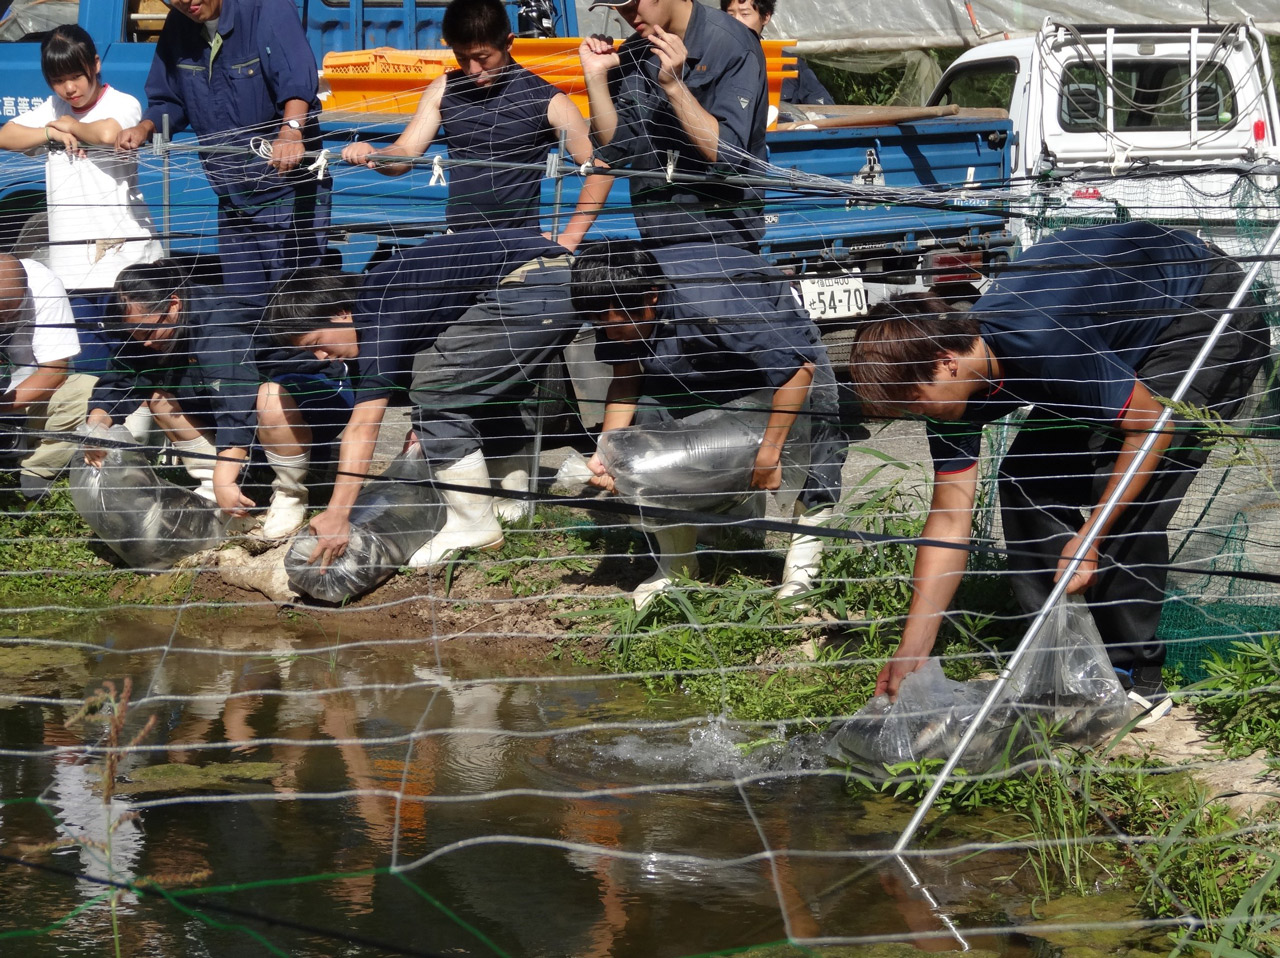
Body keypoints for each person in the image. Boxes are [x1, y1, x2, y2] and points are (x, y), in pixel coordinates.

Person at [847, 221, 1270, 701]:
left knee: (1127, 482)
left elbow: (1153, 427)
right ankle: (1060, 658)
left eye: (915, 399)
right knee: (1025, 479)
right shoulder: (953, 397)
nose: (914, 414)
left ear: (946, 360)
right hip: (1113, 325)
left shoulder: (1042, 340)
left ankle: (1130, 674)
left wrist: (1088, 539)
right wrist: (913, 648)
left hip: (1204, 304)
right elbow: (948, 519)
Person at [261, 228, 579, 570]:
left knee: (436, 390)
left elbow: (365, 425)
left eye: (316, 342)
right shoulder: (387, 299)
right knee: (475, 382)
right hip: (552, 276)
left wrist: (338, 514)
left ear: (341, 312)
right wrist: (427, 429)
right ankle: (508, 502)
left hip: (533, 284)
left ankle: (474, 524)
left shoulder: (378, 308)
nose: (321, 357)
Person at [569, 239, 844, 608]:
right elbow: (626, 373)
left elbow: (796, 371)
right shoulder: (614, 301)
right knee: (650, 426)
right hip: (685, 359)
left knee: (814, 435)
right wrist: (608, 450)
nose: (609, 332)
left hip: (779, 358)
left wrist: (770, 453)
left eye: (616, 326)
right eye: (600, 324)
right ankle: (678, 565)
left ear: (650, 298)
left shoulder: (715, 302)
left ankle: (802, 575)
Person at [341, 0, 612, 251]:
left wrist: (570, 237)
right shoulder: (444, 89)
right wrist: (376, 156)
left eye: (482, 58)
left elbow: (602, 165)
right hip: (456, 243)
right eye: (461, 57)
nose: (472, 70)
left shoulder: (547, 100)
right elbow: (405, 153)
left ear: (508, 43)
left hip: (517, 248)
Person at [114, 0, 329, 303]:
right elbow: (169, 99)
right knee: (244, 312)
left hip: (287, 197)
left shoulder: (267, 8)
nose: (185, 1)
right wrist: (145, 127)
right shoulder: (179, 23)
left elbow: (295, 78)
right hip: (233, 201)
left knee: (294, 315)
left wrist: (291, 130)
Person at [0, 24, 162, 329]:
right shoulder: (54, 108)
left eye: (75, 76)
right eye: (58, 81)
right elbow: (6, 135)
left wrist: (71, 127)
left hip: (125, 260)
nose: (69, 89)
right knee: (87, 358)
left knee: (130, 349)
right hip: (71, 263)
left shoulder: (122, 103)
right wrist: (49, 131)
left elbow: (108, 133)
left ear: (96, 64)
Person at [579, 0, 768, 250]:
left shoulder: (731, 44)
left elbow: (726, 154)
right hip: (656, 232)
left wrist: (675, 88)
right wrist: (595, 76)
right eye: (617, 6)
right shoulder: (637, 48)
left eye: (632, 2)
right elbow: (615, 149)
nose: (626, 13)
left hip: (720, 238)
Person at [86, 260, 263, 523]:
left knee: (267, 398)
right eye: (133, 332)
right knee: (158, 400)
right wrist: (95, 428)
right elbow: (118, 380)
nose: (143, 342)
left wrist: (225, 478)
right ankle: (212, 483)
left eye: (148, 331)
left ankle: (273, 488)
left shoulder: (218, 324)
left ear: (173, 304)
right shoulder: (145, 328)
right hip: (209, 405)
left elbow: (235, 403)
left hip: (277, 414)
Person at [0, 253, 88, 498]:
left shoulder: (44, 285)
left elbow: (54, 370)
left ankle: (36, 469)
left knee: (84, 391)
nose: (5, 321)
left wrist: (2, 407)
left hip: (33, 402)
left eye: (12, 313)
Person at [719, 0, 834, 114]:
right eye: (731, 15)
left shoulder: (790, 64)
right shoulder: (713, 62)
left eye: (745, 14)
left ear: (765, 17)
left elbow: (826, 112)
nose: (737, 21)